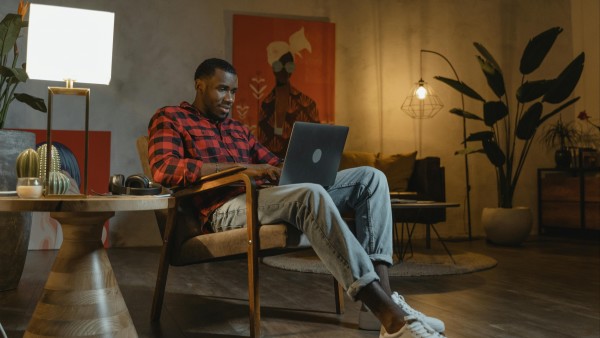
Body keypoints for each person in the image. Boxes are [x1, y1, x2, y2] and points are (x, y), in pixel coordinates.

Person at [147, 58, 447, 338]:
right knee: (310, 194)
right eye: (222, 89)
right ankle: (392, 318)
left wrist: (290, 167)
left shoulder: (238, 130)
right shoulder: (171, 117)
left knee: (371, 178)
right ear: (200, 85)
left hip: (264, 198)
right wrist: (249, 169)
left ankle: (380, 305)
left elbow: (273, 164)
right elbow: (164, 169)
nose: (230, 98)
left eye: (234, 91)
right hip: (222, 209)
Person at [256, 27, 320, 158]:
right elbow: (262, 147)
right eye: (279, 65)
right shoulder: (266, 105)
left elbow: (316, 141)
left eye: (289, 66)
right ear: (273, 67)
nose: (284, 71)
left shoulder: (307, 104)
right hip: (271, 170)